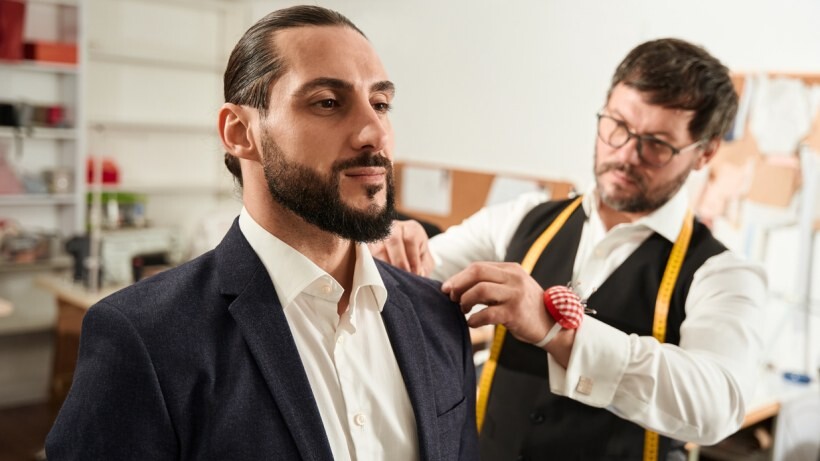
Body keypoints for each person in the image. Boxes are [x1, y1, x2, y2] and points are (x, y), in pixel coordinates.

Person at [46, 6, 478, 460]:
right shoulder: (144, 339)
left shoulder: (439, 318)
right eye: (328, 102)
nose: (374, 132)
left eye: (381, 104)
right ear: (240, 132)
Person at [371, 38, 766, 460]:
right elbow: (411, 272)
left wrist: (556, 330)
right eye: (617, 125)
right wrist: (391, 242)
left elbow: (717, 405)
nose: (627, 154)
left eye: (657, 144)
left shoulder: (722, 273)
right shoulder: (521, 220)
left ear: (704, 152)